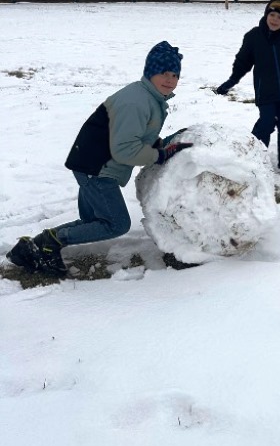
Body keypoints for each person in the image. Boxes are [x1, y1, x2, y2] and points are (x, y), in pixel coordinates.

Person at [6, 41, 193, 279]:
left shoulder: (147, 97)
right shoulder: (137, 102)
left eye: (175, 75)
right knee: (115, 223)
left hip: (90, 162)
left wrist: (164, 143)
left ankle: (35, 247)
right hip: (97, 168)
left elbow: (135, 135)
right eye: (164, 73)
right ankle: (47, 244)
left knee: (93, 221)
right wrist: (160, 155)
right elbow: (125, 149)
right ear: (150, 72)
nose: (170, 80)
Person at [215, 0, 280, 179]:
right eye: (272, 15)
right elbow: (243, 62)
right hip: (267, 91)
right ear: (266, 14)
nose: (275, 20)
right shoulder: (254, 36)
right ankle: (252, 158)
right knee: (265, 124)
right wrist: (230, 82)